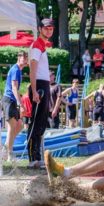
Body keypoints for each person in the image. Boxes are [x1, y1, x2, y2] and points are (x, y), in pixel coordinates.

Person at [27, 18, 53, 168]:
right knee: (36, 122)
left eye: (51, 28)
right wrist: (35, 90)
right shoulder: (37, 45)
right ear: (40, 29)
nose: (49, 31)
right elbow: (33, 69)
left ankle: (37, 156)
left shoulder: (42, 46)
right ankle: (33, 158)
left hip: (44, 83)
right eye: (46, 28)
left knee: (42, 122)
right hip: (39, 85)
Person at [2, 51, 28, 161]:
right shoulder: (16, 69)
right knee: (12, 127)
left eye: (26, 58)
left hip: (11, 101)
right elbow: (13, 87)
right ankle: (8, 154)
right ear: (19, 58)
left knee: (20, 125)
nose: (25, 59)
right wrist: (20, 104)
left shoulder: (17, 70)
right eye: (24, 57)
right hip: (9, 100)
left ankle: (5, 150)